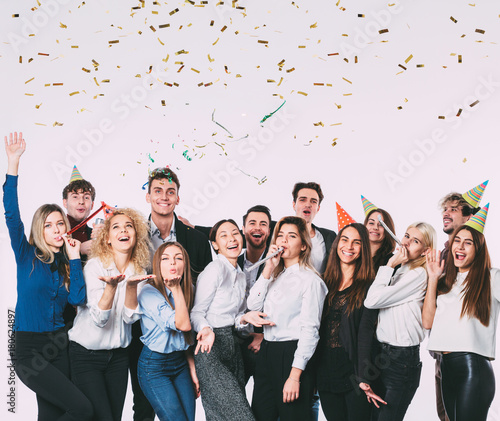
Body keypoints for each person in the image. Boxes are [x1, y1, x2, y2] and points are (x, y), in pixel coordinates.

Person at [4, 132, 93, 420]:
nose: (56, 230)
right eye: (49, 225)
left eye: (60, 224)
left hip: (60, 344)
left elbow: (79, 299)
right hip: (29, 349)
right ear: (40, 230)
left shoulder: (69, 264)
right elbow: (11, 213)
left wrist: (75, 257)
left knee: (54, 413)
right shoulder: (26, 254)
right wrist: (13, 163)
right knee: (82, 410)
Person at [130, 166, 213, 421]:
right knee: (143, 408)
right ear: (148, 196)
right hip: (143, 338)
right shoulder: (133, 236)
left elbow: (205, 290)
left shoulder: (197, 240)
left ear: (178, 197)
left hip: (183, 343)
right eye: (158, 191)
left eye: (170, 191)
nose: (164, 196)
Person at [68, 208, 154, 421]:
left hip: (117, 357)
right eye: (116, 227)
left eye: (128, 226)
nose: (123, 230)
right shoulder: (95, 266)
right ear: (107, 238)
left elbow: (129, 318)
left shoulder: (139, 271)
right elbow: (99, 318)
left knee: (113, 417)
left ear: (135, 236)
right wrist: (112, 287)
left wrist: (131, 288)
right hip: (86, 355)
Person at [244, 216, 328, 421]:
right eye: (280, 235)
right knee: (261, 415)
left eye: (291, 236)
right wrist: (268, 268)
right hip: (267, 353)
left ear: (302, 246)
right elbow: (253, 306)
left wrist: (294, 376)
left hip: (292, 355)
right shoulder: (275, 276)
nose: (283, 240)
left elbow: (310, 331)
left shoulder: (310, 281)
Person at [423, 208, 498, 421]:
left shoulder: (491, 278)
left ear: (478, 249)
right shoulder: (445, 282)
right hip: (447, 368)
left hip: (473, 369)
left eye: (468, 242)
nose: (460, 246)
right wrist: (433, 278)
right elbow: (428, 322)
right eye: (457, 240)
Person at [364, 222, 436, 421]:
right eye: (406, 236)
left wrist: (389, 265)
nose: (406, 242)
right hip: (383, 353)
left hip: (402, 359)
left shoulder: (418, 274)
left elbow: (372, 301)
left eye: (415, 241)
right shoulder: (402, 270)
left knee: (388, 417)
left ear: (425, 251)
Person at [316, 222, 385, 420]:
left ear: (363, 248)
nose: (349, 247)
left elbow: (365, 335)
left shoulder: (369, 286)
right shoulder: (322, 282)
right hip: (325, 371)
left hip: (354, 372)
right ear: (337, 243)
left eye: (356, 243)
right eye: (344, 240)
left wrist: (364, 377)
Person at [432, 182, 487, 421]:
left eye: (453, 209)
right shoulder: (443, 254)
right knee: (445, 415)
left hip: (467, 355)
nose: (446, 212)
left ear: (469, 217)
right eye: (445, 208)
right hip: (442, 354)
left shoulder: (476, 258)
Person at [190, 219, 255, 421]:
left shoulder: (241, 275)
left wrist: (244, 318)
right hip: (211, 347)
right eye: (224, 235)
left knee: (220, 416)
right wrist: (207, 330)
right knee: (240, 415)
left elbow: (234, 317)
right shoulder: (214, 270)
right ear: (215, 245)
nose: (232, 239)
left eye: (235, 233)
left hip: (233, 345)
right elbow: (196, 313)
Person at [137, 242, 199, 421]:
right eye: (166, 258)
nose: (173, 263)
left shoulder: (190, 290)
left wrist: (192, 369)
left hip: (179, 362)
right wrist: (176, 288)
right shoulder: (148, 292)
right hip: (154, 366)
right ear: (158, 264)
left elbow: (186, 337)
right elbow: (182, 325)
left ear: (184, 265)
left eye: (178, 258)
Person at [237, 205, 272, 382]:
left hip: (264, 345)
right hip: (235, 341)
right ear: (243, 229)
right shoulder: (231, 261)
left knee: (262, 404)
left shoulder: (277, 264)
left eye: (263, 224)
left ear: (269, 230)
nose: (257, 227)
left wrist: (264, 336)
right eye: (252, 223)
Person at [292, 182, 336, 274]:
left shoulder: (330, 237)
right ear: (294, 205)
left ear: (318, 208)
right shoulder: (278, 233)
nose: (308, 204)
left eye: (313, 201)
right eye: (302, 200)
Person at [361, 196, 396, 272]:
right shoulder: (354, 254)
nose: (375, 227)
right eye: (371, 223)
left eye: (381, 225)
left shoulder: (393, 261)